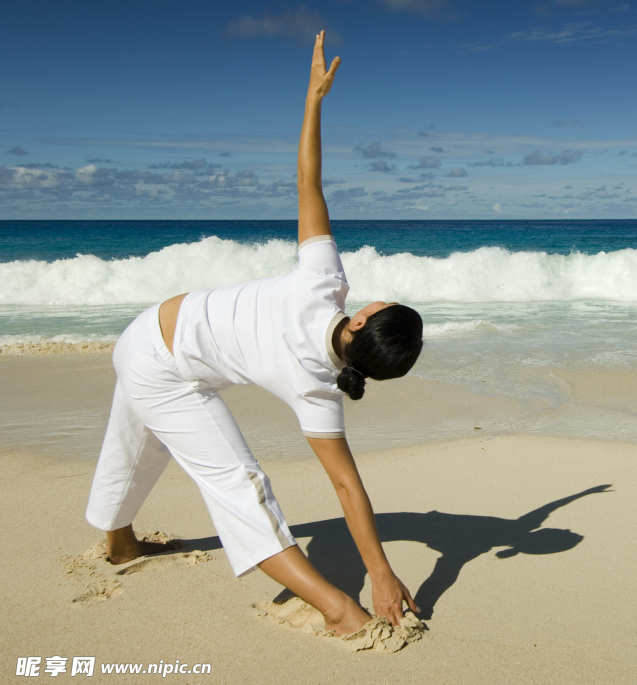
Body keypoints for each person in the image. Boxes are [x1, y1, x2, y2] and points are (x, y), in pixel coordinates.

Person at [85, 31, 422, 636]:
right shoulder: (322, 390)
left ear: (365, 318)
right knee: (178, 456)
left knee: (184, 463)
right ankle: (337, 608)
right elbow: (348, 487)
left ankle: (122, 545)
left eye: (390, 304)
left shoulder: (323, 279)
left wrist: (314, 101)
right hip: (158, 356)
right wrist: (381, 570)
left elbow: (306, 182)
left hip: (148, 338)